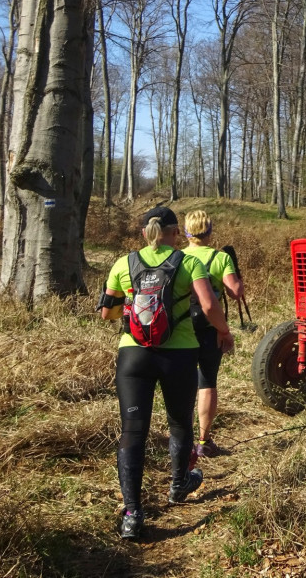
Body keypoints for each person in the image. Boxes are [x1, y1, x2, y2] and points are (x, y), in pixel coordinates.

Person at [99, 206, 235, 540]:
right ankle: (178, 485)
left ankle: (132, 514)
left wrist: (133, 308)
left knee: (133, 432)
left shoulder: (123, 263)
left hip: (133, 357)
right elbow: (208, 305)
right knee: (178, 421)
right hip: (179, 354)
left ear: (145, 232)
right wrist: (225, 331)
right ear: (174, 232)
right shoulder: (189, 263)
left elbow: (107, 313)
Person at [182, 209, 245, 459]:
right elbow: (235, 292)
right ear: (209, 231)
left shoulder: (177, 257)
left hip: (181, 330)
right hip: (210, 330)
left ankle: (181, 438)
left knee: (182, 384)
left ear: (186, 231)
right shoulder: (220, 259)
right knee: (207, 383)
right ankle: (203, 441)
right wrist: (235, 267)